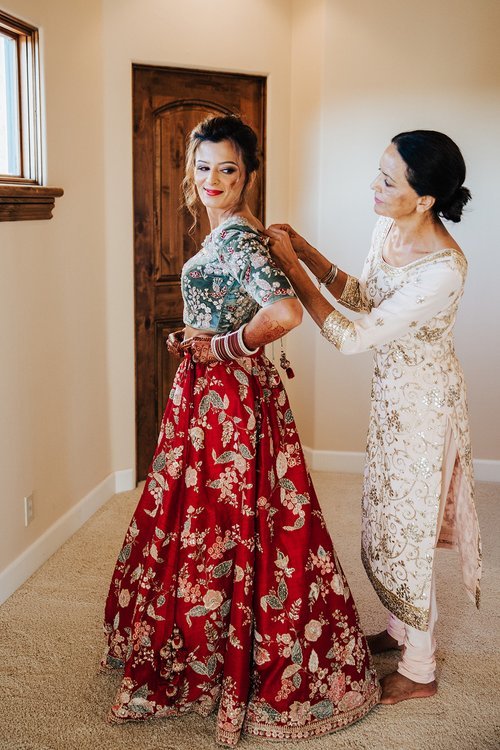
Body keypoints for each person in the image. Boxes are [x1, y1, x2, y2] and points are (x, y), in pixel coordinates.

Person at [101, 114, 379, 746]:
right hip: (221, 393)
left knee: (219, 522)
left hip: (225, 399)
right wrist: (200, 337)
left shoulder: (238, 242)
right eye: (203, 167)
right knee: (226, 520)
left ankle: (225, 663)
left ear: (249, 174)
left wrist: (222, 346)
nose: (213, 180)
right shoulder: (234, 231)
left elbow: (283, 314)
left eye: (228, 169)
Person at [266, 130, 482, 706]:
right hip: (390, 404)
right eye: (379, 172)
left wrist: (293, 270)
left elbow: (352, 336)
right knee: (384, 522)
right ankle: (398, 629)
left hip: (425, 413)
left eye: (388, 181)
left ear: (425, 199)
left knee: (409, 535)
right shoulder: (388, 227)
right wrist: (307, 250)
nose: (375, 186)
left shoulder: (444, 271)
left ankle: (420, 668)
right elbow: (364, 296)